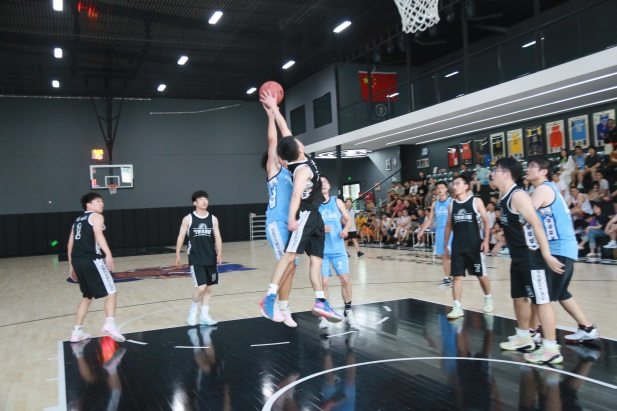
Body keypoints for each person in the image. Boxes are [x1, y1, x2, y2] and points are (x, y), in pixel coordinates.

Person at [259, 132, 342, 323]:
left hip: (311, 217)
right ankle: (270, 299)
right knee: (289, 258)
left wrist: (277, 116)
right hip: (285, 220)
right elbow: (274, 141)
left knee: (310, 261)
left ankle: (317, 301)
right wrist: (271, 117)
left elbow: (288, 135)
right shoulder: (281, 172)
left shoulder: (295, 166)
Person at [490, 157, 565, 364]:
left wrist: (546, 254)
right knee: (519, 297)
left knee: (541, 301)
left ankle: (551, 348)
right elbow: (515, 228)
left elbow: (537, 225)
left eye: (496, 170)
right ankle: (523, 337)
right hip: (518, 258)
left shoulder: (518, 196)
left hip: (532, 258)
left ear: (506, 174)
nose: (492, 174)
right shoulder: (504, 196)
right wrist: (499, 243)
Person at [526, 157, 599, 344]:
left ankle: (532, 333)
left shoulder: (542, 189)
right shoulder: (548, 189)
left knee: (541, 295)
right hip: (563, 247)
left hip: (558, 249)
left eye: (532, 166)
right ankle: (587, 328)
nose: (528, 169)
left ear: (544, 172)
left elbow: (526, 216)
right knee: (561, 293)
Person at [260, 90, 297, 327]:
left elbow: (288, 141)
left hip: (290, 223)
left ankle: (284, 307)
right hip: (276, 222)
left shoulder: (293, 173)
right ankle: (271, 303)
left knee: (292, 267)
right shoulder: (274, 170)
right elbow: (273, 141)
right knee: (287, 262)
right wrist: (271, 116)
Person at [68, 192, 125, 343]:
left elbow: (70, 244)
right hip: (91, 259)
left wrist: (71, 265)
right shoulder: (96, 216)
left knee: (87, 296)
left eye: (102, 201)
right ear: (88, 205)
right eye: (98, 201)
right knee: (111, 291)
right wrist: (108, 254)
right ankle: (109, 324)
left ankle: (76, 332)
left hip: (77, 260)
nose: (102, 203)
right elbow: (99, 235)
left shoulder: (77, 221)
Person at [443, 175, 493, 319]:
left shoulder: (476, 201)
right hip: (457, 246)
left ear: (466, 187)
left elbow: (486, 221)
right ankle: (457, 306)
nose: (454, 186)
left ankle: (488, 298)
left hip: (474, 246)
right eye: (453, 184)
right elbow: (448, 226)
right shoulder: (451, 204)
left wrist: (486, 240)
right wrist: (446, 245)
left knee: (481, 275)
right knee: (456, 277)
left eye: (458, 183)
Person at [318, 175, 359, 330]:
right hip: (321, 250)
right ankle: (325, 313)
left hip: (338, 249)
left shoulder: (337, 201)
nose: (323, 184)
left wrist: (346, 229)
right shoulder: (314, 204)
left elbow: (348, 220)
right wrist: (320, 228)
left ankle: (348, 310)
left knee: (345, 279)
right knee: (324, 282)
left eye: (325, 182)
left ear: (329, 186)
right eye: (320, 183)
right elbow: (308, 225)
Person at [176, 190, 222, 326]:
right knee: (201, 287)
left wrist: (219, 253)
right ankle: (193, 311)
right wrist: (177, 252)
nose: (204, 201)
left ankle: (204, 316)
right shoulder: (188, 218)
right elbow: (181, 236)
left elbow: (217, 236)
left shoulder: (213, 219)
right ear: (195, 202)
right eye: (201, 199)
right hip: (196, 257)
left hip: (210, 257)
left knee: (208, 289)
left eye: (206, 199)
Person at [417, 181, 453, 287]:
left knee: (452, 255)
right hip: (440, 230)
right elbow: (429, 220)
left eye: (442, 187)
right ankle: (447, 278)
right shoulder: (434, 204)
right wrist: (422, 230)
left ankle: (456, 277)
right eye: (438, 188)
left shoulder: (452, 201)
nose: (440, 189)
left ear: (446, 189)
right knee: (444, 256)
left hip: (451, 230)